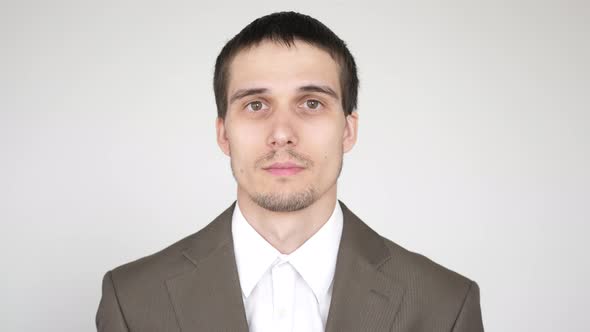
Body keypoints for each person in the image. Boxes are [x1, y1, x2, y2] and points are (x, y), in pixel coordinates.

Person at [96, 11, 484, 332]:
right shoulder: (132, 301)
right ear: (223, 133)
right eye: (255, 105)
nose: (282, 134)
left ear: (348, 130)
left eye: (311, 103)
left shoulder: (445, 305)